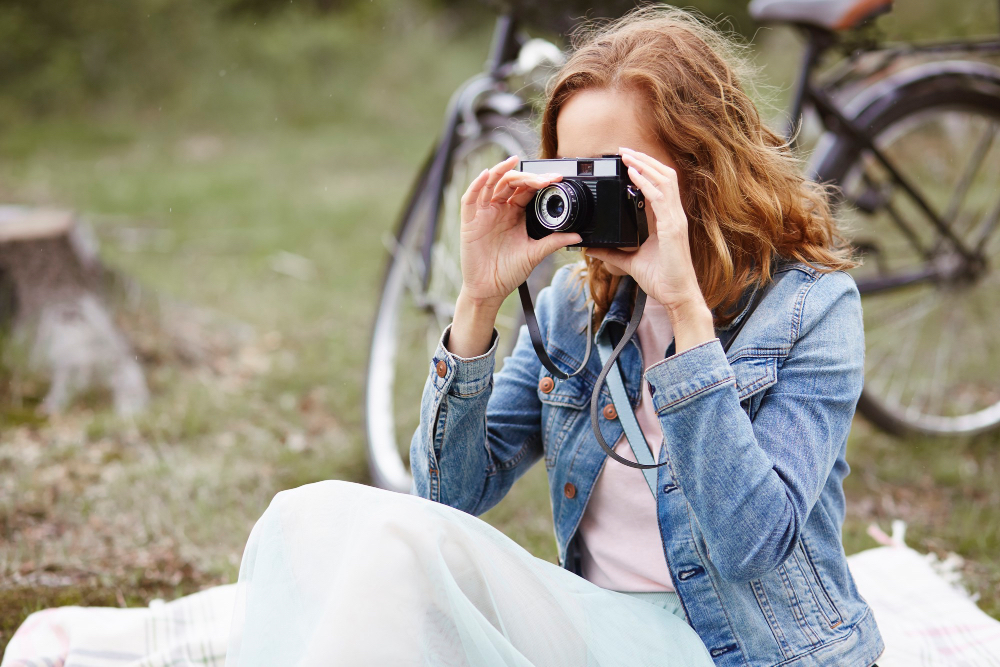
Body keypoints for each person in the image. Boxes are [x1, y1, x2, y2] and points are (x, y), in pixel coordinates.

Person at [225, 6, 884, 666]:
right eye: (577, 173)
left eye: (616, 174)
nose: (589, 200)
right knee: (319, 518)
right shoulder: (577, 305)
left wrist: (685, 308)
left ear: (702, 167)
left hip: (744, 651)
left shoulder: (811, 310)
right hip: (601, 630)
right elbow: (444, 499)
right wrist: (478, 298)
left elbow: (752, 543)